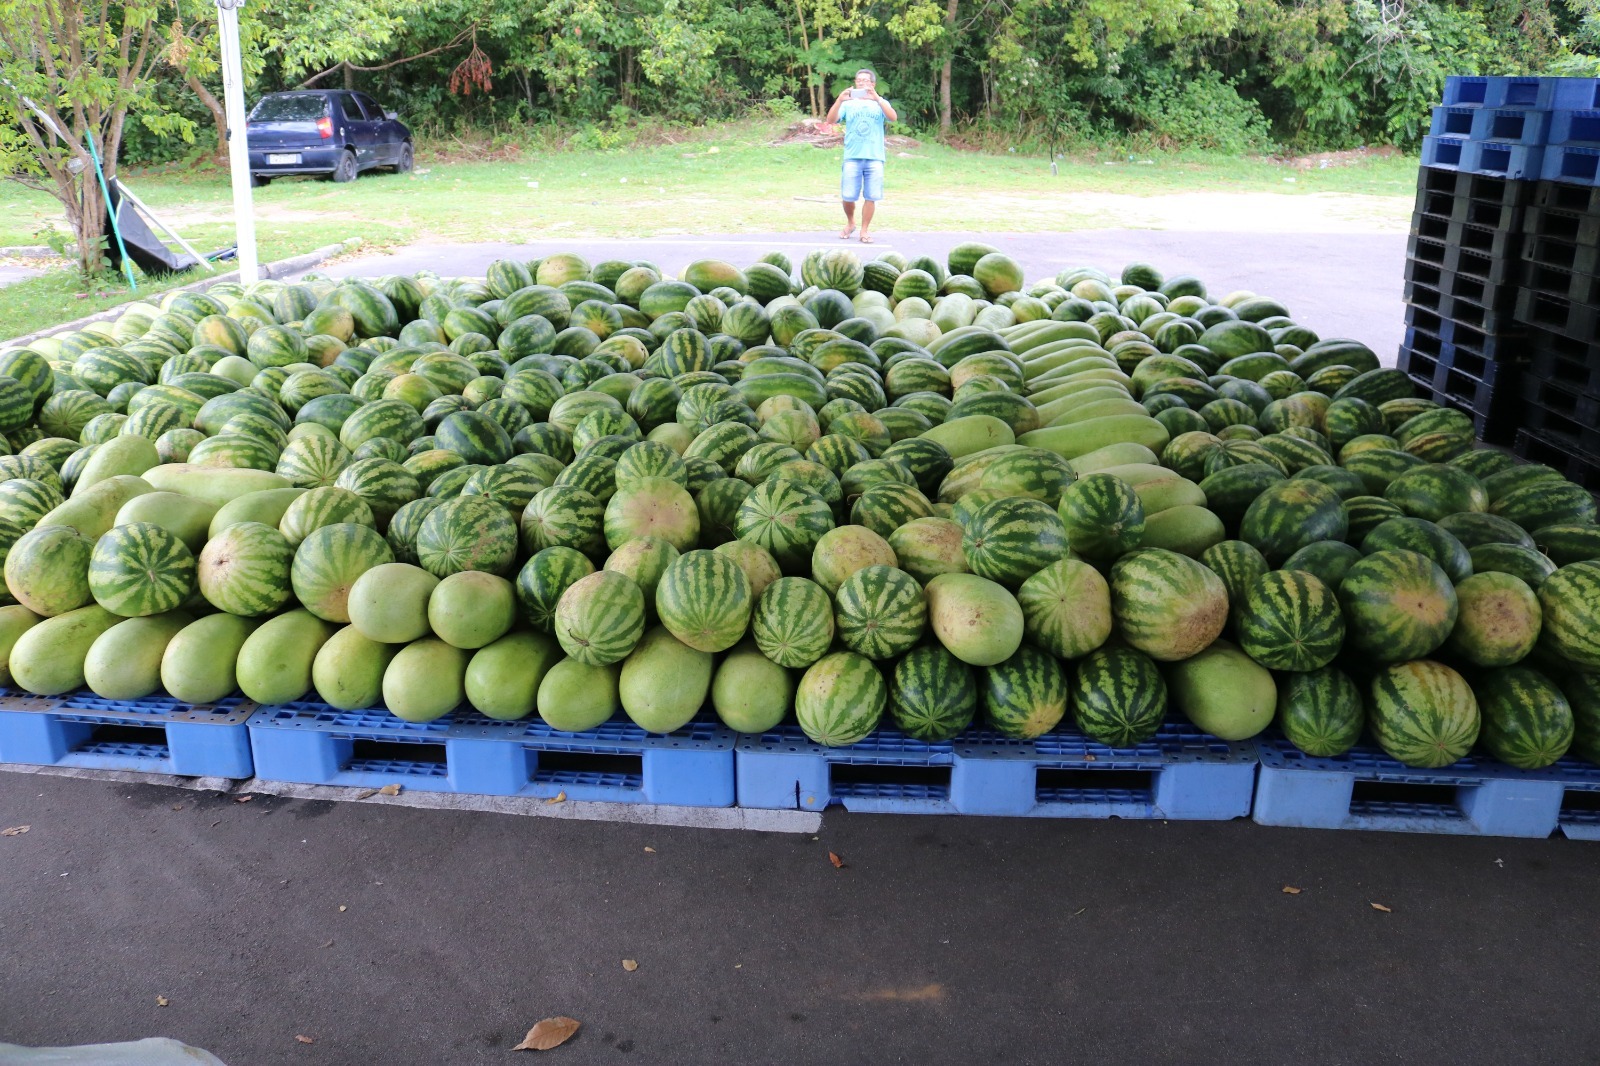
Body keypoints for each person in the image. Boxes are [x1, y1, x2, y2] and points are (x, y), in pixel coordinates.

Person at [825, 69, 897, 244]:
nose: (862, 83)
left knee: (871, 196)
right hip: (853, 156)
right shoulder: (849, 103)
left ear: (873, 84)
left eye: (866, 80)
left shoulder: (880, 103)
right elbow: (831, 120)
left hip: (874, 157)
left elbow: (892, 117)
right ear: (855, 83)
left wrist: (877, 98)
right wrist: (839, 100)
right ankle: (851, 222)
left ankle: (864, 230)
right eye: (859, 80)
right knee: (848, 195)